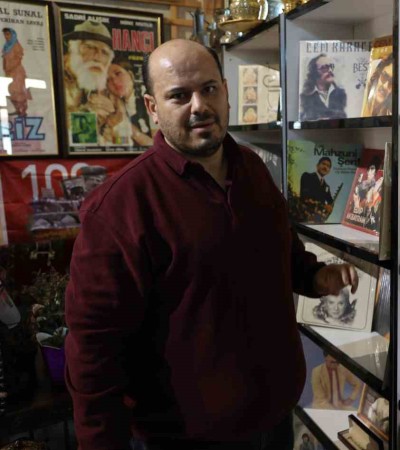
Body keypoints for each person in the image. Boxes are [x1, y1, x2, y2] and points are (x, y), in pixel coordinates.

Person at [65, 39, 359, 450]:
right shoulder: (120, 208)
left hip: (275, 419)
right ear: (152, 108)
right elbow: (94, 350)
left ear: (226, 91)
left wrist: (315, 277)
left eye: (209, 89)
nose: (199, 105)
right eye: (179, 95)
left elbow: (280, 252)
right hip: (183, 438)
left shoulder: (252, 169)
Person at [62, 20, 117, 144]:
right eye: (90, 48)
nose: (97, 58)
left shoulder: (104, 86)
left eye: (104, 53)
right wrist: (89, 111)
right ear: (72, 49)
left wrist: (112, 118)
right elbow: (83, 140)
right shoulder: (58, 82)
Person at [106, 60, 153, 146]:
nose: (114, 81)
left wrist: (133, 132)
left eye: (118, 73)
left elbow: (156, 145)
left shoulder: (149, 100)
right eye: (108, 79)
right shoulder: (115, 108)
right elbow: (121, 143)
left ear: (131, 75)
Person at [300, 54, 347, 121]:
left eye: (331, 66)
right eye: (324, 68)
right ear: (314, 73)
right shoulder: (305, 97)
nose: (330, 70)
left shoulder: (341, 94)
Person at [2, 28, 32, 117]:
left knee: (19, 92)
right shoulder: (6, 46)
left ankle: (23, 112)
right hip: (9, 73)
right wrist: (5, 68)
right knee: (11, 92)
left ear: (13, 35)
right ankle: (18, 110)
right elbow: (5, 59)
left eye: (8, 34)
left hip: (17, 73)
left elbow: (18, 59)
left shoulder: (16, 45)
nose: (6, 36)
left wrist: (10, 68)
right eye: (5, 34)